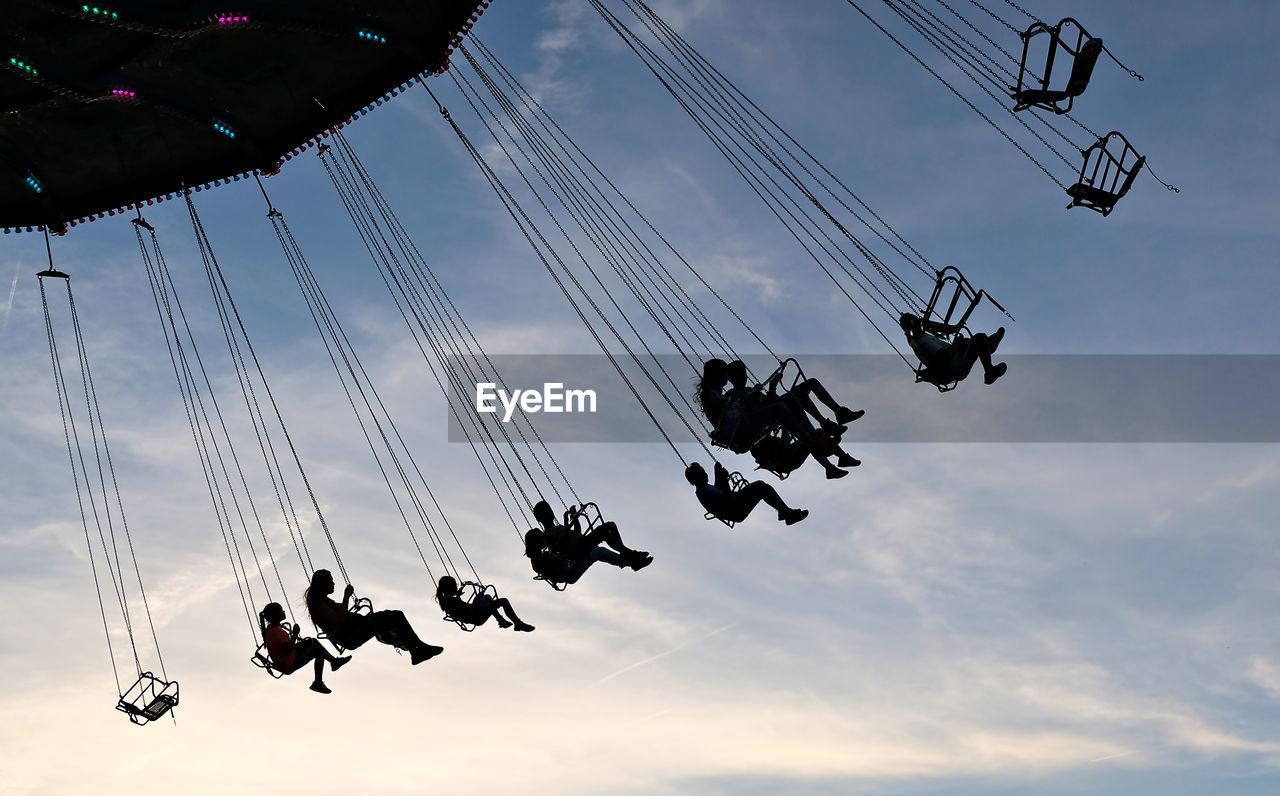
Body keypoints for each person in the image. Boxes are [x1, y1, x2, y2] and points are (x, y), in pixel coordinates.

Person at [694, 359, 849, 479]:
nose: (726, 378)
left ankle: (819, 436)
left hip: (746, 423)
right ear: (717, 375)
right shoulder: (713, 393)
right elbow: (722, 407)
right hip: (739, 429)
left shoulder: (731, 394)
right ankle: (813, 441)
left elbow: (768, 402)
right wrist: (745, 398)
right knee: (778, 408)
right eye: (724, 374)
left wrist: (771, 388)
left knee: (788, 398)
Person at [726, 360, 862, 471]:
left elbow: (771, 403)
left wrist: (768, 391)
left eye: (743, 373)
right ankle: (829, 446)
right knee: (813, 429)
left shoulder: (751, 390)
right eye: (739, 374)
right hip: (765, 422)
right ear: (731, 378)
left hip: (776, 412)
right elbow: (757, 413)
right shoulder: (733, 397)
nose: (743, 377)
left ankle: (838, 415)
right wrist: (764, 393)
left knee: (809, 385)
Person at [304, 569, 444, 665]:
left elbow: (341, 613)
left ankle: (416, 650)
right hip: (350, 634)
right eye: (330, 581)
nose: (333, 583)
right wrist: (346, 597)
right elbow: (338, 619)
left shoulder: (322, 601)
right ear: (322, 584)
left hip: (354, 628)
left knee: (388, 621)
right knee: (395, 616)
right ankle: (418, 649)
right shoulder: (317, 604)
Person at [259, 602, 351, 694]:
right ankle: (330, 667)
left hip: (285, 662)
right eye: (281, 610)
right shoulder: (276, 631)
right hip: (288, 663)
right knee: (314, 645)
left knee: (314, 647)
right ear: (274, 616)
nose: (283, 611)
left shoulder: (270, 630)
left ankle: (327, 671)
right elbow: (288, 650)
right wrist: (295, 634)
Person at [532, 500, 651, 570]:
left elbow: (577, 531)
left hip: (582, 542)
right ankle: (630, 555)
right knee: (608, 528)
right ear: (539, 518)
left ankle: (631, 558)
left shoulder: (558, 528)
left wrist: (574, 517)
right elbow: (557, 546)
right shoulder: (546, 535)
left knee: (608, 530)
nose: (549, 512)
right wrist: (567, 521)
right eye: (545, 511)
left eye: (549, 509)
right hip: (577, 549)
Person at [685, 461, 808, 526]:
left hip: (735, 506)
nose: (706, 475)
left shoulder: (705, 489)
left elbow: (719, 490)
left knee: (763, 489)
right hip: (735, 508)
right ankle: (786, 513)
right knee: (760, 486)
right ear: (695, 479)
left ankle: (785, 513)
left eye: (705, 472)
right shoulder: (704, 493)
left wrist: (717, 473)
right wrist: (722, 478)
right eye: (703, 473)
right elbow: (725, 498)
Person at [899, 313, 1007, 387]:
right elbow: (944, 356)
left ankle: (988, 346)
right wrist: (956, 342)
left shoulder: (916, 338)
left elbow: (934, 327)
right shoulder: (923, 340)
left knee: (976, 341)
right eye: (917, 320)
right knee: (979, 339)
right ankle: (990, 370)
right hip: (956, 365)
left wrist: (952, 331)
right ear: (914, 324)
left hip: (955, 359)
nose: (920, 321)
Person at [435, 575, 534, 632]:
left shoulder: (449, 600)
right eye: (455, 585)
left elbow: (466, 609)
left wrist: (462, 597)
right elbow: (467, 611)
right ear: (450, 588)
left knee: (490, 599)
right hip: (475, 617)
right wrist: (477, 600)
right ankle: (514, 622)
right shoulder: (450, 601)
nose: (457, 587)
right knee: (492, 599)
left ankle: (505, 621)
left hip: (475, 615)